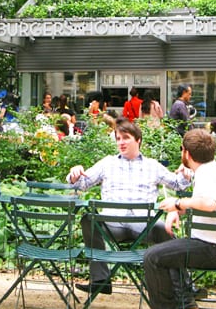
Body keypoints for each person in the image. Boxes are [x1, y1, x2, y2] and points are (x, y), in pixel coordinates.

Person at [66, 118, 191, 294]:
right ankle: (100, 280)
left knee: (166, 230)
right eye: (118, 138)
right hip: (112, 224)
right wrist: (74, 174)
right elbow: (81, 184)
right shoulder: (107, 163)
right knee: (88, 219)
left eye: (125, 138)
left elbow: (178, 184)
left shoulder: (152, 166)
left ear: (138, 140)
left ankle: (185, 286)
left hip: (144, 225)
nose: (121, 142)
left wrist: (186, 172)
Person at [133, 128, 216, 309]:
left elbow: (210, 203)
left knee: (152, 257)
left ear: (187, 153)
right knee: (169, 249)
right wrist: (178, 210)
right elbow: (206, 205)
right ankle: (185, 307)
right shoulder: (213, 170)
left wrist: (179, 203)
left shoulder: (206, 174)